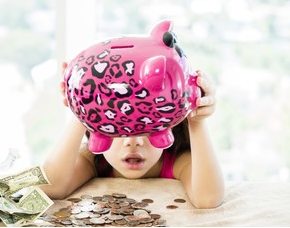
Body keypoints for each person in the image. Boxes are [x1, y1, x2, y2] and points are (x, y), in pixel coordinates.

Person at [41, 62, 225, 208]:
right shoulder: (95, 160)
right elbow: (49, 187)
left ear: (169, 127)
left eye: (147, 126)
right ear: (95, 129)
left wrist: (196, 117)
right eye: (117, 127)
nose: (132, 141)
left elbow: (207, 199)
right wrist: (81, 107)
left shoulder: (175, 161)